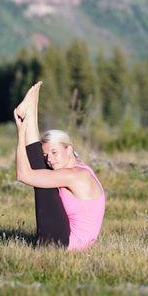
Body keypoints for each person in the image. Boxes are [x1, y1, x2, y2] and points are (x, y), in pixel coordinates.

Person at [13, 81, 105, 251]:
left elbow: (23, 175)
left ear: (69, 149)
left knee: (40, 181)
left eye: (55, 153)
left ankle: (30, 113)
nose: (50, 160)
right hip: (68, 238)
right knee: (41, 173)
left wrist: (21, 133)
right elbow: (38, 162)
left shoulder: (74, 175)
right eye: (47, 155)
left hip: (60, 244)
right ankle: (31, 111)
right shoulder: (78, 168)